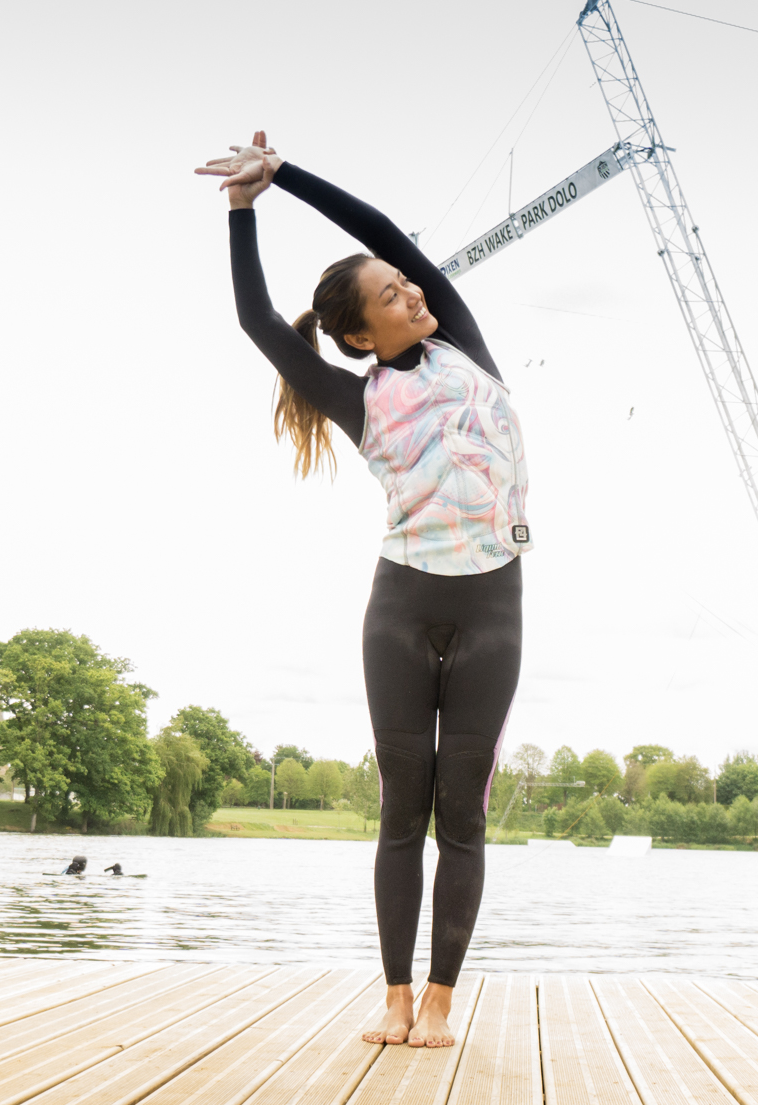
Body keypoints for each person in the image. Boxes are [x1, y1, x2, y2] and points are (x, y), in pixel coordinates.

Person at [198, 132, 530, 1048]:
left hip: (490, 610)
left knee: (460, 814)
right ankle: (391, 998)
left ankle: (441, 1002)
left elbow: (380, 227)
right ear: (357, 337)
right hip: (400, 610)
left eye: (406, 282)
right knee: (401, 811)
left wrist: (286, 176)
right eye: (389, 295)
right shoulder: (353, 396)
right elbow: (258, 324)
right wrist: (242, 213)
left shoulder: (462, 343)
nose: (410, 292)